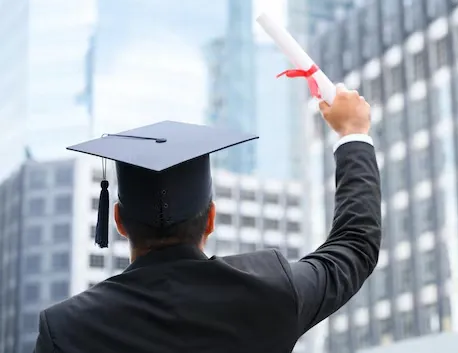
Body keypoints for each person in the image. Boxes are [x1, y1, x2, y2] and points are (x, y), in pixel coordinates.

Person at [33, 84, 381, 353]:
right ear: (210, 218)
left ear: (119, 220)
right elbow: (354, 246)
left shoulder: (66, 328)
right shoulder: (270, 290)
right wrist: (353, 134)